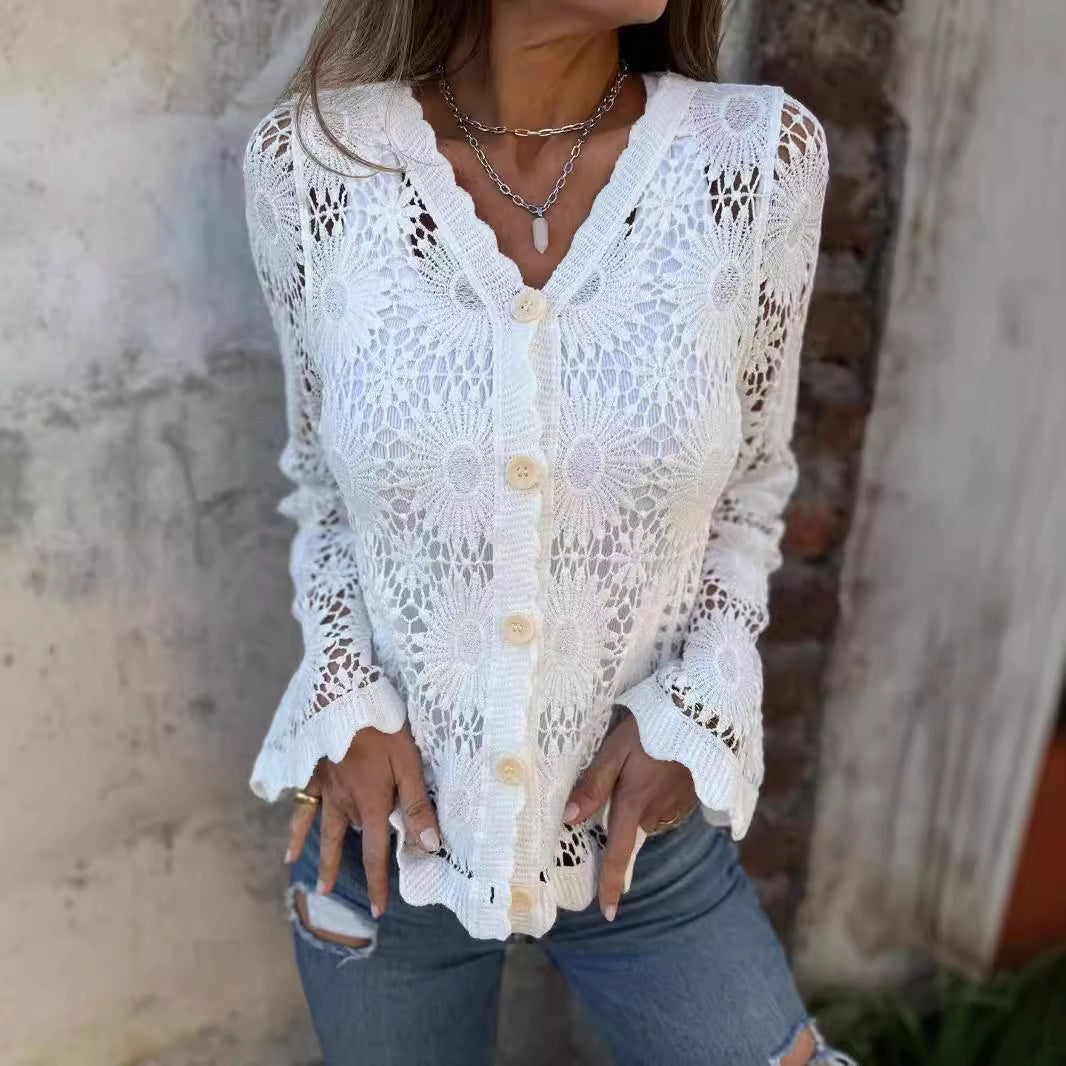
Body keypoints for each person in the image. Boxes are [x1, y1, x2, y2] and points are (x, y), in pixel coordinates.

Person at [242, 1, 851, 1062]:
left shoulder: (753, 159)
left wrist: (696, 708)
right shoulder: (312, 164)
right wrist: (344, 695)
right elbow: (321, 486)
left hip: (640, 845)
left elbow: (752, 487)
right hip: (387, 844)